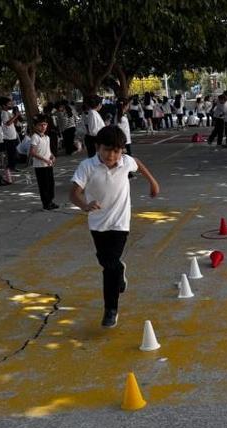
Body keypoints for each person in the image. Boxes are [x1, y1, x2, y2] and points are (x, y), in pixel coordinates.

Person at [69, 125, 160, 328]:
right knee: (107, 262)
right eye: (107, 150)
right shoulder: (87, 166)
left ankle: (111, 309)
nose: (112, 155)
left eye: (117, 151)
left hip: (120, 223)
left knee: (108, 268)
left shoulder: (125, 162)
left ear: (122, 151)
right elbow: (73, 193)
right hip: (97, 223)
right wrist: (85, 205)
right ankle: (119, 269)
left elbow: (137, 163)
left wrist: (153, 182)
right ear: (97, 147)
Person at [29, 114, 58, 210]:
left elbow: (48, 150)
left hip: (48, 164)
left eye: (45, 124)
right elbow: (32, 152)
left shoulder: (47, 137)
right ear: (35, 126)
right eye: (41, 125)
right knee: (43, 185)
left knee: (50, 183)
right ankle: (46, 203)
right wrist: (44, 159)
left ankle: (51, 201)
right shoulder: (35, 137)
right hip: (40, 166)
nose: (43, 127)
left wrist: (52, 156)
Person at [0, 97, 21, 172]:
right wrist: (15, 116)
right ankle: (11, 167)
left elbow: (13, 122)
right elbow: (8, 123)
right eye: (8, 104)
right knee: (11, 153)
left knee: (13, 153)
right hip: (8, 137)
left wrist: (16, 116)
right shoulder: (4, 113)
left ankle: (12, 166)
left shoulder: (8, 113)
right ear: (4, 105)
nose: (10, 105)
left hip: (12, 135)